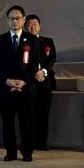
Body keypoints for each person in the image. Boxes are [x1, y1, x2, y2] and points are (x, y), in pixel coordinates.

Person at [0, 4, 39, 162]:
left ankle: (27, 152)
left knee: (26, 122)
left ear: (23, 19)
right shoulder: (0, 40)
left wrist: (24, 81)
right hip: (6, 87)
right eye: (11, 18)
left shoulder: (32, 39)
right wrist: (7, 80)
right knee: (8, 122)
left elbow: (35, 63)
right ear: (7, 20)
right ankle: (10, 152)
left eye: (17, 18)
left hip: (26, 88)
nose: (14, 21)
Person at [25, 14, 56, 151]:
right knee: (29, 114)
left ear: (39, 26)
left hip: (45, 81)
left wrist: (43, 71)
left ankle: (41, 142)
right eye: (29, 24)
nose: (32, 27)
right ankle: (29, 142)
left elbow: (52, 59)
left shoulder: (48, 41)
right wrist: (33, 73)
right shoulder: (23, 41)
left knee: (43, 113)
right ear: (25, 27)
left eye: (35, 24)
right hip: (29, 82)